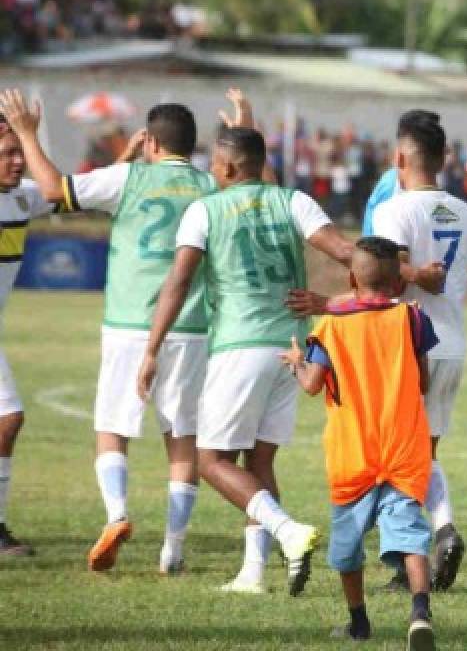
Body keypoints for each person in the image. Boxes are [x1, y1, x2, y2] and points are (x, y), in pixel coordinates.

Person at [2, 89, 247, 574]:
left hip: (129, 324)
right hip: (191, 326)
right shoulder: (207, 184)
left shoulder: (126, 178)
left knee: (111, 430)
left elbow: (54, 191)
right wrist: (246, 128)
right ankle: (172, 548)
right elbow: (251, 179)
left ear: (151, 143)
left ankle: (116, 514)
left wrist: (31, 134)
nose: (14, 161)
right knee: (182, 438)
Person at [137, 124, 356, 596]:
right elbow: (346, 253)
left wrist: (152, 348)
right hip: (293, 351)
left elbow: (177, 282)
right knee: (259, 463)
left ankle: (288, 532)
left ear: (231, 166)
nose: (211, 171)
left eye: (214, 164)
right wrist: (343, 299)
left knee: (211, 460)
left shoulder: (205, 210)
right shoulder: (293, 201)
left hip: (240, 347)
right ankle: (253, 573)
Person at [367, 111, 467, 592]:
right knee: (422, 452)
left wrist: (411, 276)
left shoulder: (394, 210)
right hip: (452, 347)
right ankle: (437, 533)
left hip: (409, 345)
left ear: (399, 158)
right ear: (444, 159)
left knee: (395, 457)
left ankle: (417, 552)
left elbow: (383, 275)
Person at [282, 237, 439, 648]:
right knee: (410, 535)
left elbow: (313, 386)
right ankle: (420, 613)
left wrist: (298, 364)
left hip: (352, 452)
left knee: (348, 547)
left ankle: (359, 623)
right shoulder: (412, 319)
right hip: (404, 448)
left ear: (352, 278)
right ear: (400, 284)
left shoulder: (331, 326)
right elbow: (423, 382)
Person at [0, 106, 57, 556]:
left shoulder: (22, 197)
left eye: (19, 153)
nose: (17, 162)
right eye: (7, 153)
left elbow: (68, 192)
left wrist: (126, 164)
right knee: (8, 417)